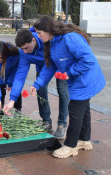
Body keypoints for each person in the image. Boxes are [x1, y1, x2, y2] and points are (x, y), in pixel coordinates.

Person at [29, 16, 105, 159]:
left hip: (85, 79)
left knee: (75, 111)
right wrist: (37, 84)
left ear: (48, 30)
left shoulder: (69, 38)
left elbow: (88, 59)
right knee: (84, 110)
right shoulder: (52, 43)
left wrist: (69, 73)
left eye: (39, 33)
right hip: (78, 79)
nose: (38, 36)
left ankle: (70, 146)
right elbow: (49, 67)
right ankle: (84, 140)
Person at [4, 28, 70, 138]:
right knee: (40, 92)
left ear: (33, 41)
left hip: (60, 66)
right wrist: (12, 100)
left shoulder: (46, 40)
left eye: (26, 48)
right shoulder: (24, 53)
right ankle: (46, 121)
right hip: (42, 68)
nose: (24, 51)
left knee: (62, 91)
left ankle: (62, 124)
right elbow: (20, 76)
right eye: (22, 49)